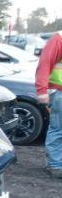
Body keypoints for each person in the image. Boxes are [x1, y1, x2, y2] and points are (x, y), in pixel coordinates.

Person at [35, 31, 62, 178]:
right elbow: (44, 64)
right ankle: (56, 165)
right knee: (58, 129)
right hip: (59, 92)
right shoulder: (58, 39)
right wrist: (42, 91)